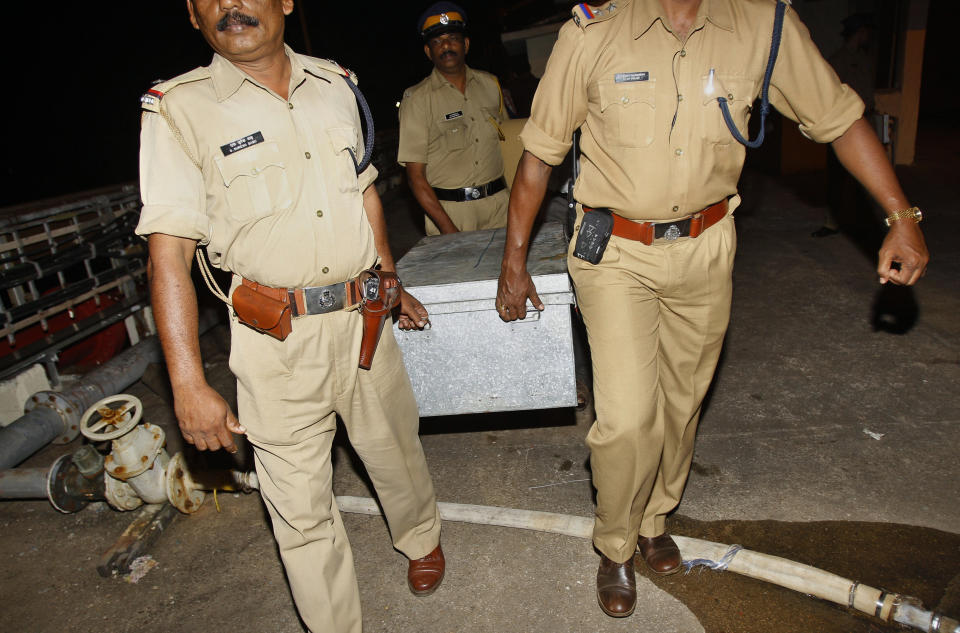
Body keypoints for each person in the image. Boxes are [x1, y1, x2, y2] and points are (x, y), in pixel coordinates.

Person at [495, 0, 928, 619]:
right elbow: (539, 153)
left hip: (707, 247)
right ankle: (615, 541)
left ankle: (654, 517)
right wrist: (514, 262)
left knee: (682, 401)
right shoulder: (593, 32)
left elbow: (839, 118)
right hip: (615, 250)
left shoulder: (763, 26)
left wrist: (901, 216)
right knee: (625, 416)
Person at [136, 2, 444, 631]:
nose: (230, 7)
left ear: (285, 3)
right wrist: (189, 384)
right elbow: (168, 255)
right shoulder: (179, 109)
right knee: (299, 514)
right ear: (193, 16)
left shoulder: (337, 86)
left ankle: (420, 537)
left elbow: (365, 195)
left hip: (363, 321)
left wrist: (389, 281)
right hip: (272, 340)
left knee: (395, 452)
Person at [398, 2, 511, 235]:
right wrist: (449, 231)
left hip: (501, 207)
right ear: (429, 52)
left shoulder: (491, 85)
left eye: (453, 38)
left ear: (466, 44)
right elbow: (415, 177)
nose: (446, 46)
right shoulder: (417, 99)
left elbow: (509, 145)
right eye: (437, 42)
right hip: (451, 213)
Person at [813, 12, 879, 238]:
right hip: (842, 129)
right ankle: (832, 222)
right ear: (860, 33)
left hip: (866, 123)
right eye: (866, 32)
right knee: (837, 178)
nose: (868, 37)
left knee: (867, 176)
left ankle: (864, 221)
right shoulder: (837, 61)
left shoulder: (864, 59)